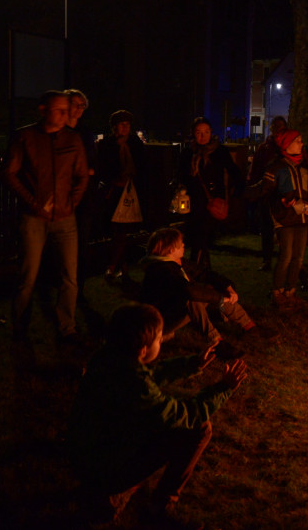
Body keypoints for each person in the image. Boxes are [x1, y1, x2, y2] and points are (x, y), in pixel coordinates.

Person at [67, 302, 247, 527]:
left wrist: (191, 364)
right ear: (143, 349)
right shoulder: (139, 388)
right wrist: (223, 389)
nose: (161, 341)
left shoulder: (106, 358)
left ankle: (107, 489)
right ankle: (152, 505)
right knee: (200, 428)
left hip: (83, 456)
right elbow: (185, 414)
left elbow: (148, 374)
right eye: (159, 339)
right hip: (105, 466)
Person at [1, 90, 88, 342]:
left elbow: (82, 175)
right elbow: (9, 173)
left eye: (66, 109)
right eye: (59, 110)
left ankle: (67, 327)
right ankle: (20, 327)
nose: (64, 115)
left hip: (65, 218)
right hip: (33, 219)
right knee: (28, 276)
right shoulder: (25, 137)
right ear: (43, 110)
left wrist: (71, 203)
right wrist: (33, 203)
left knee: (69, 277)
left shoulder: (72, 139)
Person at [140, 227, 263, 358]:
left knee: (209, 289)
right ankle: (216, 343)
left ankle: (250, 327)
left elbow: (204, 273)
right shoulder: (162, 270)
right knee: (193, 298)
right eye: (180, 243)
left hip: (172, 311)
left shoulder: (175, 262)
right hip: (161, 321)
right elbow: (189, 291)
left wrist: (228, 287)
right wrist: (220, 299)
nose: (184, 245)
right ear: (171, 250)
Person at [260, 129, 308, 310]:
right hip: (284, 219)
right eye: (297, 141)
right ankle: (277, 292)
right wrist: (282, 201)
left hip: (301, 219)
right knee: (286, 256)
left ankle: (290, 291)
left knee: (298, 258)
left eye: (301, 140)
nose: (302, 144)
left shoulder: (304, 167)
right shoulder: (276, 167)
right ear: (287, 145)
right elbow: (266, 194)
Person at [178, 117, 244, 271]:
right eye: (199, 132)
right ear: (193, 134)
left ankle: (196, 269)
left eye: (206, 132)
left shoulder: (219, 151)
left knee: (203, 237)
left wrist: (237, 190)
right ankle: (203, 270)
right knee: (199, 238)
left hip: (212, 202)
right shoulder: (188, 153)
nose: (203, 136)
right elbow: (181, 175)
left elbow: (233, 171)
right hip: (193, 202)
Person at [97, 110, 146, 284]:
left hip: (131, 191)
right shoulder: (107, 144)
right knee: (117, 231)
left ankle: (114, 266)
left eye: (127, 124)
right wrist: (114, 180)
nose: (125, 127)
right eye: (122, 124)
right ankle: (120, 267)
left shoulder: (135, 143)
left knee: (122, 231)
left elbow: (142, 166)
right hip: (114, 191)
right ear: (115, 126)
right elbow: (102, 167)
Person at [65, 89, 98, 305]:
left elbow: (92, 165)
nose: (78, 109)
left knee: (82, 241)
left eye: (81, 106)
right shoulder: (59, 131)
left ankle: (79, 284)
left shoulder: (85, 134)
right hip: (63, 193)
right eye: (74, 104)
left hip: (83, 195)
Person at [249, 116, 288, 271]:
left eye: (281, 126)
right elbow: (256, 170)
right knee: (267, 228)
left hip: (284, 194)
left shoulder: (287, 147)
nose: (278, 129)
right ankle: (267, 259)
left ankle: (286, 259)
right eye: (275, 126)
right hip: (267, 193)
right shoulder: (264, 148)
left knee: (285, 230)